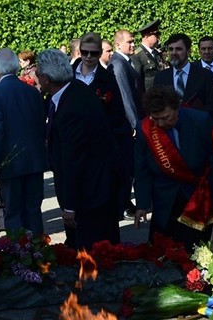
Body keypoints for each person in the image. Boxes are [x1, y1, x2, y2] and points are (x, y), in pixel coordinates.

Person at [38, 49, 121, 249]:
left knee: (90, 252)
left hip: (89, 195)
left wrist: (70, 206)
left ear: (46, 78)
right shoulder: (75, 90)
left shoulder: (70, 108)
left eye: (38, 74)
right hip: (97, 187)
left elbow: (73, 159)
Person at [134, 86, 213, 250]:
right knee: (164, 253)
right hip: (164, 200)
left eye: (165, 117)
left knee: (198, 252)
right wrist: (142, 205)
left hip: (197, 197)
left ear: (177, 107)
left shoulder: (201, 120)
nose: (160, 123)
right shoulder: (145, 129)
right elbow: (141, 169)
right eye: (155, 119)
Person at [72, 32, 134, 224]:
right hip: (74, 143)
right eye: (85, 52)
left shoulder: (107, 78)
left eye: (94, 53)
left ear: (100, 53)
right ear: (79, 52)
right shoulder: (68, 75)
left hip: (99, 145)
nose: (89, 57)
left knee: (101, 197)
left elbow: (117, 112)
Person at [0, 48, 47, 235]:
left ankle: (17, 257)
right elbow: (41, 126)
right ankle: (39, 254)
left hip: (10, 161)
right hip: (34, 159)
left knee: (13, 212)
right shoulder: (32, 91)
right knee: (33, 210)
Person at [153, 33, 213, 123]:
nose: (173, 53)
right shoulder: (161, 77)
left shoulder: (205, 75)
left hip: (197, 128)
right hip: (169, 131)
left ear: (188, 51)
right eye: (171, 49)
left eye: (178, 49)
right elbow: (156, 105)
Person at [109, 29, 145, 131]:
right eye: (129, 42)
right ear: (118, 45)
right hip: (130, 123)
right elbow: (125, 95)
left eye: (133, 41)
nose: (133, 45)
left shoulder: (126, 61)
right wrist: (135, 124)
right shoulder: (118, 64)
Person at [132, 19, 165, 90]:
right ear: (147, 37)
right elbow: (138, 82)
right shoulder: (137, 55)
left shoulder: (156, 52)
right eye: (156, 35)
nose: (159, 38)